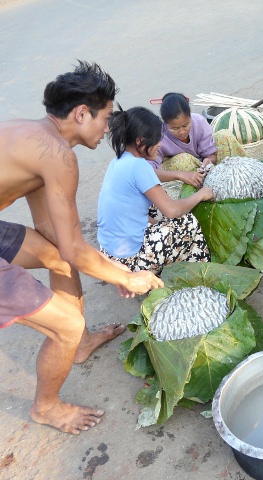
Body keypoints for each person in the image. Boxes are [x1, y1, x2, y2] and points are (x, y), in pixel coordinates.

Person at [0, 61, 164, 435]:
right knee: (66, 323)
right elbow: (75, 246)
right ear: (81, 113)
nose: (108, 127)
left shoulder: (38, 140)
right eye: (105, 117)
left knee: (56, 256)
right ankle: (46, 407)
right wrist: (127, 276)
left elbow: (56, 236)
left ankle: (79, 344)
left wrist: (113, 271)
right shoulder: (58, 155)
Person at [97, 106, 214, 274]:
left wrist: (179, 176)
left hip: (109, 252)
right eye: (156, 140)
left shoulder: (120, 159)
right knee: (187, 222)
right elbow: (172, 210)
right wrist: (201, 195)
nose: (160, 144)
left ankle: (167, 259)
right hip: (130, 259)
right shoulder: (139, 166)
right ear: (140, 141)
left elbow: (148, 182)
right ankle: (196, 272)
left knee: (156, 202)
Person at [149, 92, 247, 189]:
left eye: (185, 125)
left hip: (204, 166)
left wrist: (208, 160)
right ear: (165, 123)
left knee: (224, 136)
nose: (182, 132)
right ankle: (201, 191)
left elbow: (211, 155)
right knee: (182, 160)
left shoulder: (199, 121)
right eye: (175, 128)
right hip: (182, 173)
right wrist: (180, 175)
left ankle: (244, 175)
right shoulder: (159, 136)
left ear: (190, 117)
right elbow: (148, 171)